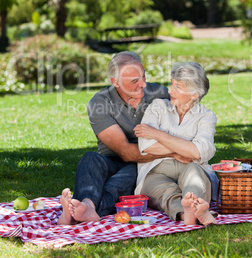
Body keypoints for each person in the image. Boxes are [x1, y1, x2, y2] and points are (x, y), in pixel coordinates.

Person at [57, 51, 172, 225]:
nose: (143, 84)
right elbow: (125, 152)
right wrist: (173, 151)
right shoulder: (100, 103)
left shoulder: (160, 94)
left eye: (143, 76)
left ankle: (83, 210)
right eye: (134, 81)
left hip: (145, 162)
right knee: (90, 159)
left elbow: (188, 122)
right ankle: (86, 206)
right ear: (115, 82)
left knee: (127, 176)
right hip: (113, 159)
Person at [133, 61, 219, 226]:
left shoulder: (206, 116)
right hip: (155, 170)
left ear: (194, 94)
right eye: (172, 84)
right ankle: (189, 213)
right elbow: (146, 146)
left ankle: (190, 211)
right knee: (166, 192)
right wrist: (179, 151)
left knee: (195, 176)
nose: (170, 90)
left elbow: (198, 153)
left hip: (191, 167)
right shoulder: (157, 107)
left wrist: (157, 134)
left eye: (178, 87)